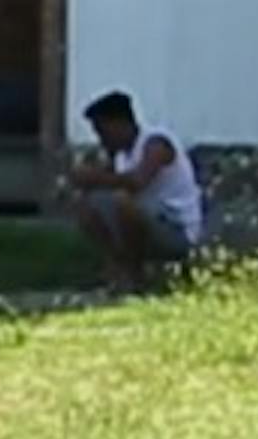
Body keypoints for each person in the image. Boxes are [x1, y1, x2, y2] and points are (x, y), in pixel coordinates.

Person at [63, 92, 206, 294]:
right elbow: (109, 183)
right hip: (146, 224)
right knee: (86, 204)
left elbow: (137, 182)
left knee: (124, 203)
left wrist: (95, 178)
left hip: (176, 229)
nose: (101, 139)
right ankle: (115, 267)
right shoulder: (121, 155)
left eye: (103, 131)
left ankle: (134, 274)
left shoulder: (156, 144)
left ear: (120, 124)